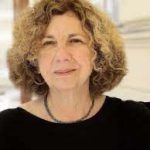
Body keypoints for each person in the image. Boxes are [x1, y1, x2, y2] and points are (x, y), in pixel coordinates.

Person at [0, 0, 150, 149]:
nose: (62, 56)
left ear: (98, 54)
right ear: (33, 59)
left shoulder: (135, 120)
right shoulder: (6, 129)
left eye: (75, 40)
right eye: (48, 43)